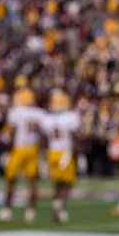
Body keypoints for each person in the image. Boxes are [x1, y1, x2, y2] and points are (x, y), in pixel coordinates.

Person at [0, 89, 47, 223]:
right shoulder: (40, 113)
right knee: (33, 182)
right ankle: (31, 212)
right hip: (33, 149)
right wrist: (42, 150)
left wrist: (7, 150)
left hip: (19, 149)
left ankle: (7, 210)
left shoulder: (15, 112)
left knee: (11, 180)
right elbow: (44, 135)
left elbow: (12, 132)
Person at [42, 90, 81, 224]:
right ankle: (61, 207)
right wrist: (79, 151)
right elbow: (75, 136)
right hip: (65, 153)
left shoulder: (48, 119)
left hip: (52, 152)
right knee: (68, 182)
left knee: (57, 182)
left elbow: (45, 138)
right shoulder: (70, 117)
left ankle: (56, 202)